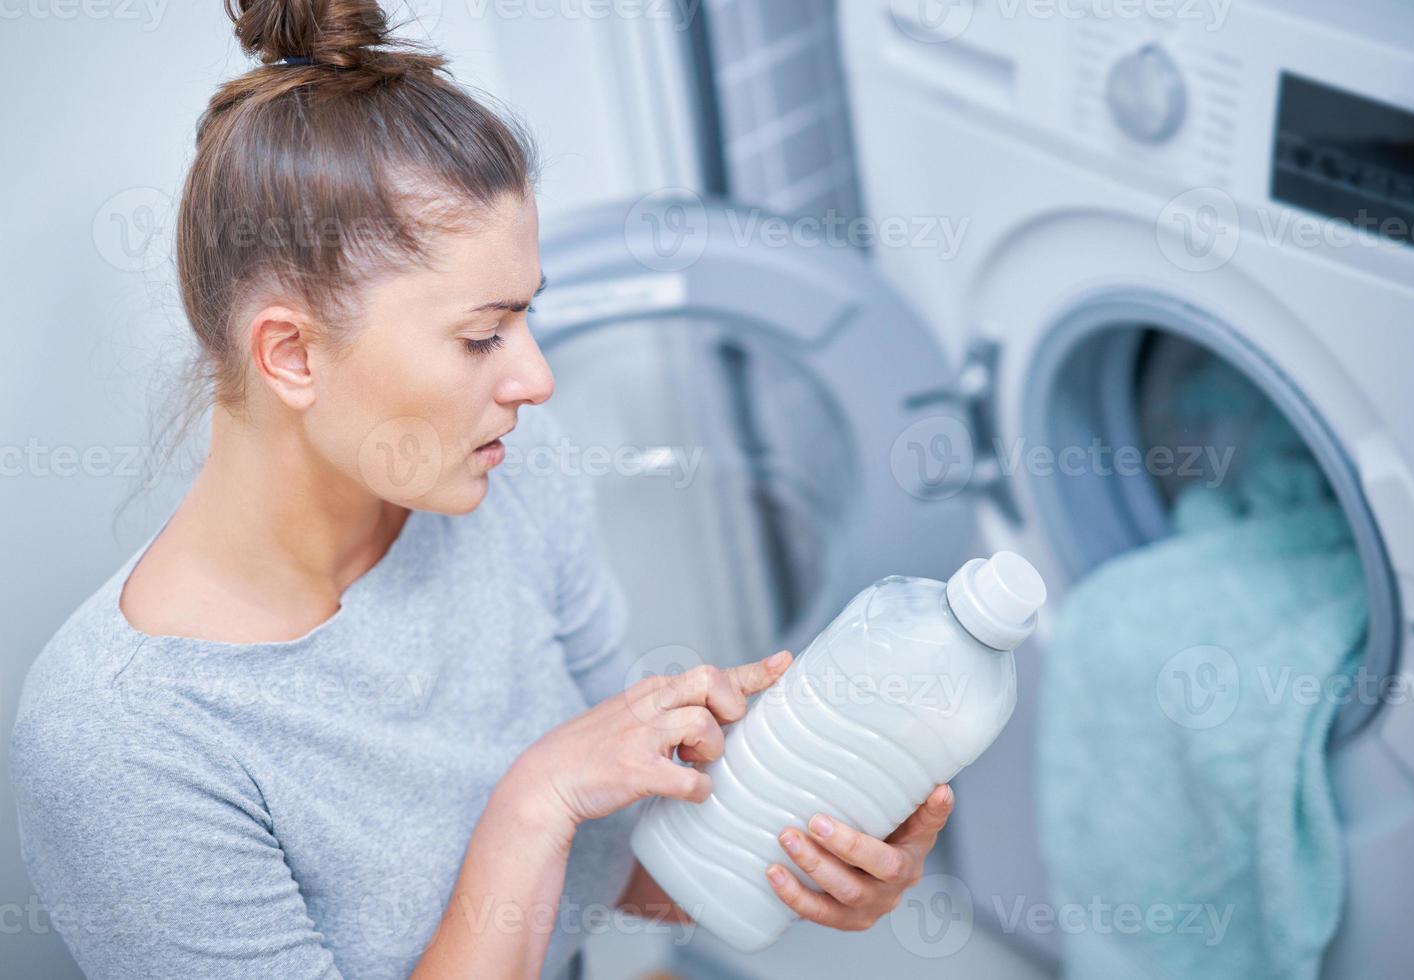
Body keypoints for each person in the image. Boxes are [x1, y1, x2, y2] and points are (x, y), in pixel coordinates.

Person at [8, 2, 955, 977]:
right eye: (480, 336)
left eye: (526, 319)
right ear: (290, 353)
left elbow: (607, 862)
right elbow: (553, 815)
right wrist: (533, 800)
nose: (536, 378)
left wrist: (797, 848)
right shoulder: (125, 746)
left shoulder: (511, 475)